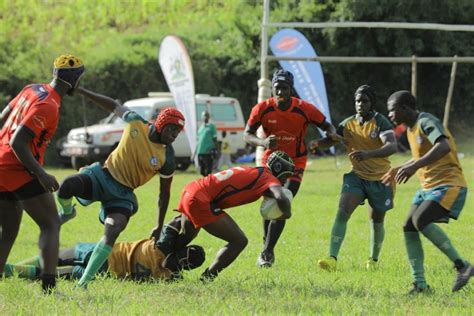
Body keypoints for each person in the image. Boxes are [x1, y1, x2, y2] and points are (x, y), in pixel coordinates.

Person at [56, 87, 185, 288]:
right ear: (161, 124)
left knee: (113, 229)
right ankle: (66, 213)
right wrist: (82, 91)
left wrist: (159, 225)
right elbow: (114, 105)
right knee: (66, 186)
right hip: (101, 176)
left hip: (122, 196)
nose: (175, 134)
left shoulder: (167, 156)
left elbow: (164, 193)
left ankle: (83, 283)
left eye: (178, 131)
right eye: (172, 129)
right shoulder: (136, 123)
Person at [0, 54, 85, 293]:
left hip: (1, 165)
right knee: (50, 224)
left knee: (8, 230)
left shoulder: (32, 89)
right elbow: (18, 142)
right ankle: (49, 287)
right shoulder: (48, 105)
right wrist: (41, 175)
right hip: (17, 167)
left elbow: (3, 117)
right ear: (72, 80)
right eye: (80, 79)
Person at [244, 69, 339, 268]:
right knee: (270, 202)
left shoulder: (304, 108)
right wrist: (262, 142)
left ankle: (267, 252)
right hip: (270, 163)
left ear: (291, 90)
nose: (281, 93)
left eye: (285, 88)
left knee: (283, 199)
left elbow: (328, 127)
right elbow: (247, 134)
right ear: (272, 90)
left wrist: (324, 140)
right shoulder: (262, 109)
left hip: (296, 162)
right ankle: (267, 244)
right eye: (277, 88)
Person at [382, 90, 472, 294]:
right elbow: (421, 157)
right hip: (428, 188)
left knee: (420, 220)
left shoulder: (425, 121)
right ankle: (420, 285)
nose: (390, 115)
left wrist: (414, 167)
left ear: (405, 108)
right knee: (409, 226)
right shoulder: (409, 130)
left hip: (449, 184)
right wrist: (400, 168)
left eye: (392, 111)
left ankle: (462, 266)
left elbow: (443, 146)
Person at [314, 85, 397, 271]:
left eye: (364, 101)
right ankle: (332, 258)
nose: (360, 104)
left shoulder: (381, 122)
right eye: (358, 101)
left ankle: (373, 261)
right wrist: (318, 144)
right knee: (343, 210)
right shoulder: (348, 123)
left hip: (381, 179)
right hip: (357, 176)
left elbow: (392, 146)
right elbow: (332, 140)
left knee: (376, 221)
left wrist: (368, 154)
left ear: (372, 103)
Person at [176, 150, 295, 281]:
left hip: (192, 190)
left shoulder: (257, 171)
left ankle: (160, 265)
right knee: (239, 241)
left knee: (183, 239)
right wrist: (286, 214)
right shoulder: (268, 178)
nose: (284, 182)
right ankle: (207, 277)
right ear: (278, 170)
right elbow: (281, 197)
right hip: (200, 199)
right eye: (285, 176)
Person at [3, 216, 205, 282]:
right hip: (102, 269)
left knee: (48, 263)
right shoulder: (170, 276)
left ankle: (6, 269)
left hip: (99, 255)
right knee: (47, 271)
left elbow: (179, 220)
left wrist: (195, 222)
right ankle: (7, 270)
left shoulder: (164, 245)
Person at [196, 110, 218, 176]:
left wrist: (217, 150)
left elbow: (215, 139)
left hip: (208, 152)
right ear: (202, 117)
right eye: (204, 115)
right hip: (200, 151)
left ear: (209, 117)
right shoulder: (200, 127)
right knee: (201, 171)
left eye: (207, 115)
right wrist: (195, 152)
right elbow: (199, 140)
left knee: (208, 171)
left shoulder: (212, 126)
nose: (205, 117)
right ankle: (206, 182)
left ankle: (208, 184)